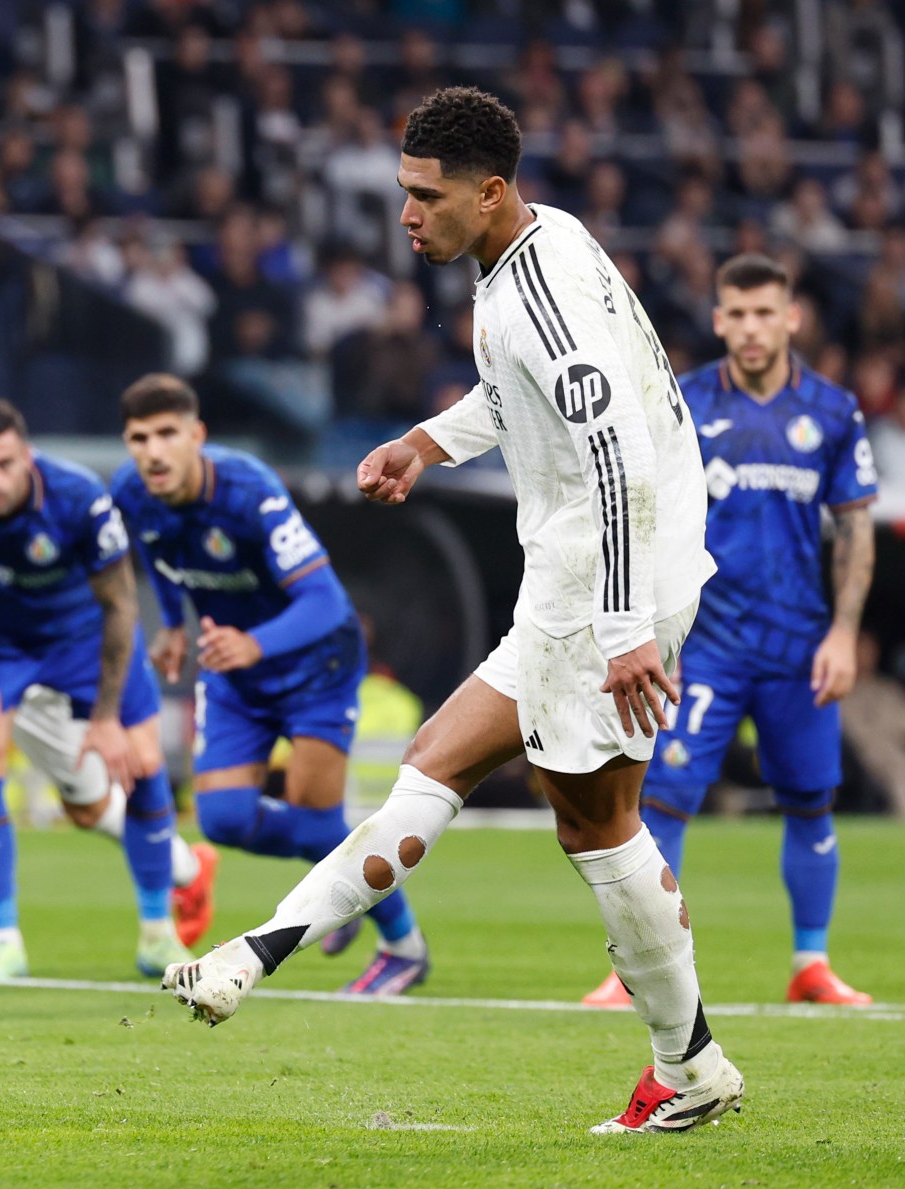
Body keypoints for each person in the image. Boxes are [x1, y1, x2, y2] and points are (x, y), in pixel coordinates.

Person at [164, 86, 743, 1135]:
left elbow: (617, 464)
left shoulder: (543, 300)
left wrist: (620, 632)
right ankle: (255, 955)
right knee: (436, 760)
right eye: (402, 193)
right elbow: (524, 400)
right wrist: (427, 440)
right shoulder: (539, 244)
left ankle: (689, 1063)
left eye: (425, 197)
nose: (406, 216)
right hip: (586, 580)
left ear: (488, 190)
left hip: (606, 586)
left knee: (599, 829)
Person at [581, 253, 880, 1011]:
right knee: (664, 801)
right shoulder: (679, 404)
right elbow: (641, 522)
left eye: (764, 313)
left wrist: (844, 635)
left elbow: (854, 530)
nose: (750, 329)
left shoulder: (834, 412)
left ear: (791, 319)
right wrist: (657, 638)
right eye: (736, 315)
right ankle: (636, 970)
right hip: (704, 644)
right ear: (718, 320)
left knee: (810, 802)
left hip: (797, 647)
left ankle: (811, 964)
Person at [113, 373, 428, 995]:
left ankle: (404, 946)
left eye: (167, 434)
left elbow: (321, 599)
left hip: (316, 665)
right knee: (224, 821)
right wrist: (176, 625)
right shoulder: (133, 492)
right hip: (236, 670)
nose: (153, 451)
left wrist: (252, 642)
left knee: (316, 825)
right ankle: (337, 890)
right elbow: (158, 557)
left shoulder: (247, 490)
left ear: (196, 435)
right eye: (138, 437)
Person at [0, 399, 214, 981]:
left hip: (88, 636)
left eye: (4, 464)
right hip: (5, 642)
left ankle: (158, 934)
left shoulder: (77, 495)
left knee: (144, 762)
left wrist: (105, 718)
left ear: (26, 457)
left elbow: (121, 605)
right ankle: (4, 945)